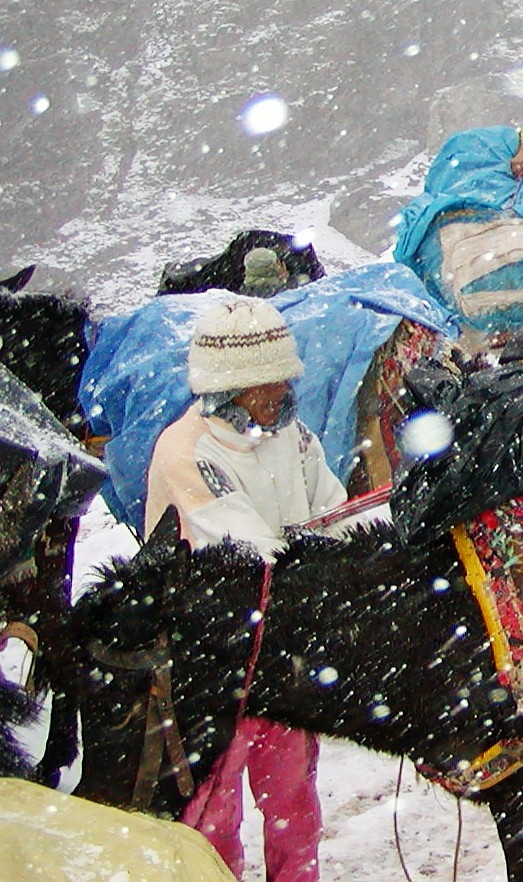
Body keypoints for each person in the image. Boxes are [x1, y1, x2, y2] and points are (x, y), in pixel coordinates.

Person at [144, 297, 345, 882]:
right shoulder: (185, 453)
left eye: (285, 377)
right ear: (234, 384)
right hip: (208, 663)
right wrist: (312, 550)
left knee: (292, 804)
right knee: (214, 811)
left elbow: (332, 509)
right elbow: (247, 546)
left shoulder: (296, 437)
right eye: (270, 381)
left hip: (279, 654)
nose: (282, 389)